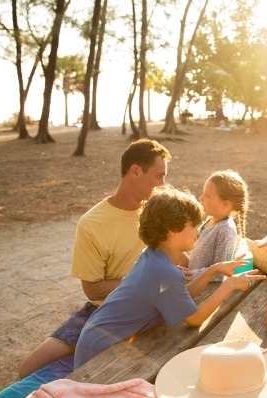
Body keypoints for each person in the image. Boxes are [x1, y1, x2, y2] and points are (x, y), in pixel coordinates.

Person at [18, 139, 171, 379]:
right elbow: (92, 289)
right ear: (135, 172)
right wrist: (141, 280)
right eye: (158, 176)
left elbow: (180, 254)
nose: (163, 185)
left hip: (149, 310)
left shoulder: (158, 210)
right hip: (103, 309)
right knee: (28, 368)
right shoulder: (92, 223)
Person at [74, 185, 266, 368]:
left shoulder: (152, 257)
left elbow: (180, 295)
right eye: (192, 225)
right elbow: (194, 319)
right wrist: (229, 285)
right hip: (100, 353)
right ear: (172, 230)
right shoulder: (165, 272)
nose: (197, 231)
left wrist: (213, 269)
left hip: (95, 339)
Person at [179, 170, 249, 282]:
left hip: (205, 290)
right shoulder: (210, 219)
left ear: (225, 204)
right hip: (192, 281)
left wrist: (192, 274)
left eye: (207, 196)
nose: (201, 198)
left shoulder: (226, 231)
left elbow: (220, 273)